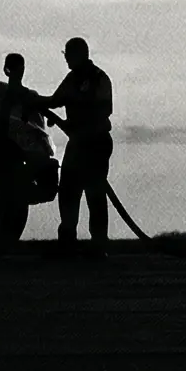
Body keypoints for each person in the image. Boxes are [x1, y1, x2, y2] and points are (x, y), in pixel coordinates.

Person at [40, 37, 114, 248]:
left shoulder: (100, 79)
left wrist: (78, 120)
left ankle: (99, 245)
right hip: (78, 144)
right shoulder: (71, 79)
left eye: (68, 56)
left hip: (96, 144)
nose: (66, 60)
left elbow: (104, 110)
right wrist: (34, 100)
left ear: (79, 55)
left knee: (95, 195)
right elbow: (55, 101)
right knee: (68, 193)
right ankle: (67, 243)